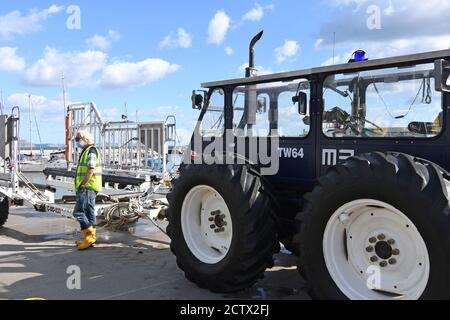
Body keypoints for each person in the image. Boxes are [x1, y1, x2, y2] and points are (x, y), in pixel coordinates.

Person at [73, 131, 103, 250]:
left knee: (78, 212)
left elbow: (91, 170)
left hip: (88, 186)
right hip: (90, 186)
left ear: (85, 139)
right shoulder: (87, 151)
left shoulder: (91, 151)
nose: (76, 141)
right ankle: (90, 239)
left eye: (78, 139)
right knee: (89, 211)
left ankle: (90, 237)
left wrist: (83, 185)